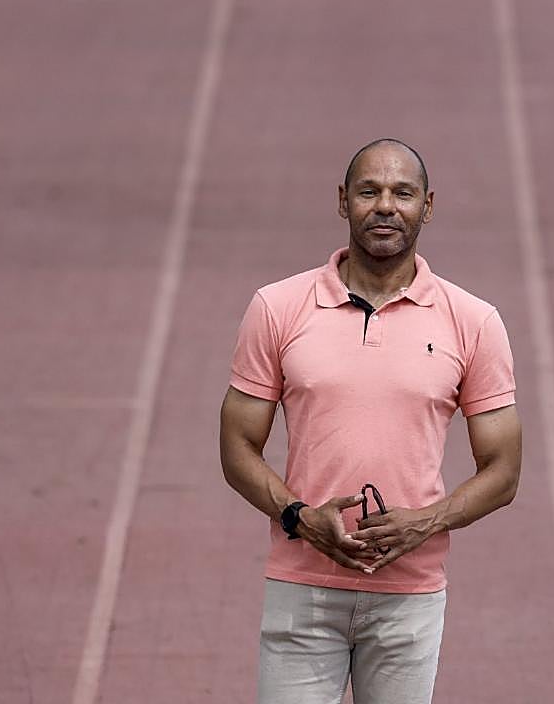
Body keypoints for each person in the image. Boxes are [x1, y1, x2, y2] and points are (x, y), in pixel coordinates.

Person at [219, 138, 523, 704]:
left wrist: (423, 524)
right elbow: (236, 444)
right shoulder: (278, 307)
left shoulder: (474, 322)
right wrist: (300, 517)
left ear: (427, 207)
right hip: (303, 587)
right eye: (369, 191)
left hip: (409, 595)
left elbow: (504, 471)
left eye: (402, 193)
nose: (385, 206)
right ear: (343, 202)